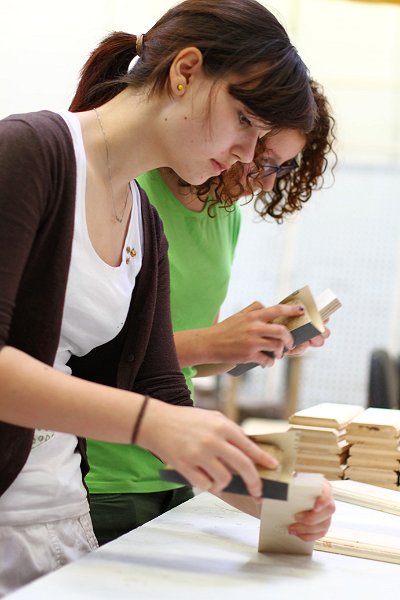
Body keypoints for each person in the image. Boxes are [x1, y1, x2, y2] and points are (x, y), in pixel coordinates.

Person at [0, 0, 335, 594]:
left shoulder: (142, 224)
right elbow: (152, 412)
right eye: (243, 121)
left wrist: (268, 495)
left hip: (59, 520)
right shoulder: (30, 151)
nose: (246, 153)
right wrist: (151, 424)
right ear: (185, 71)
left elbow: (158, 388)